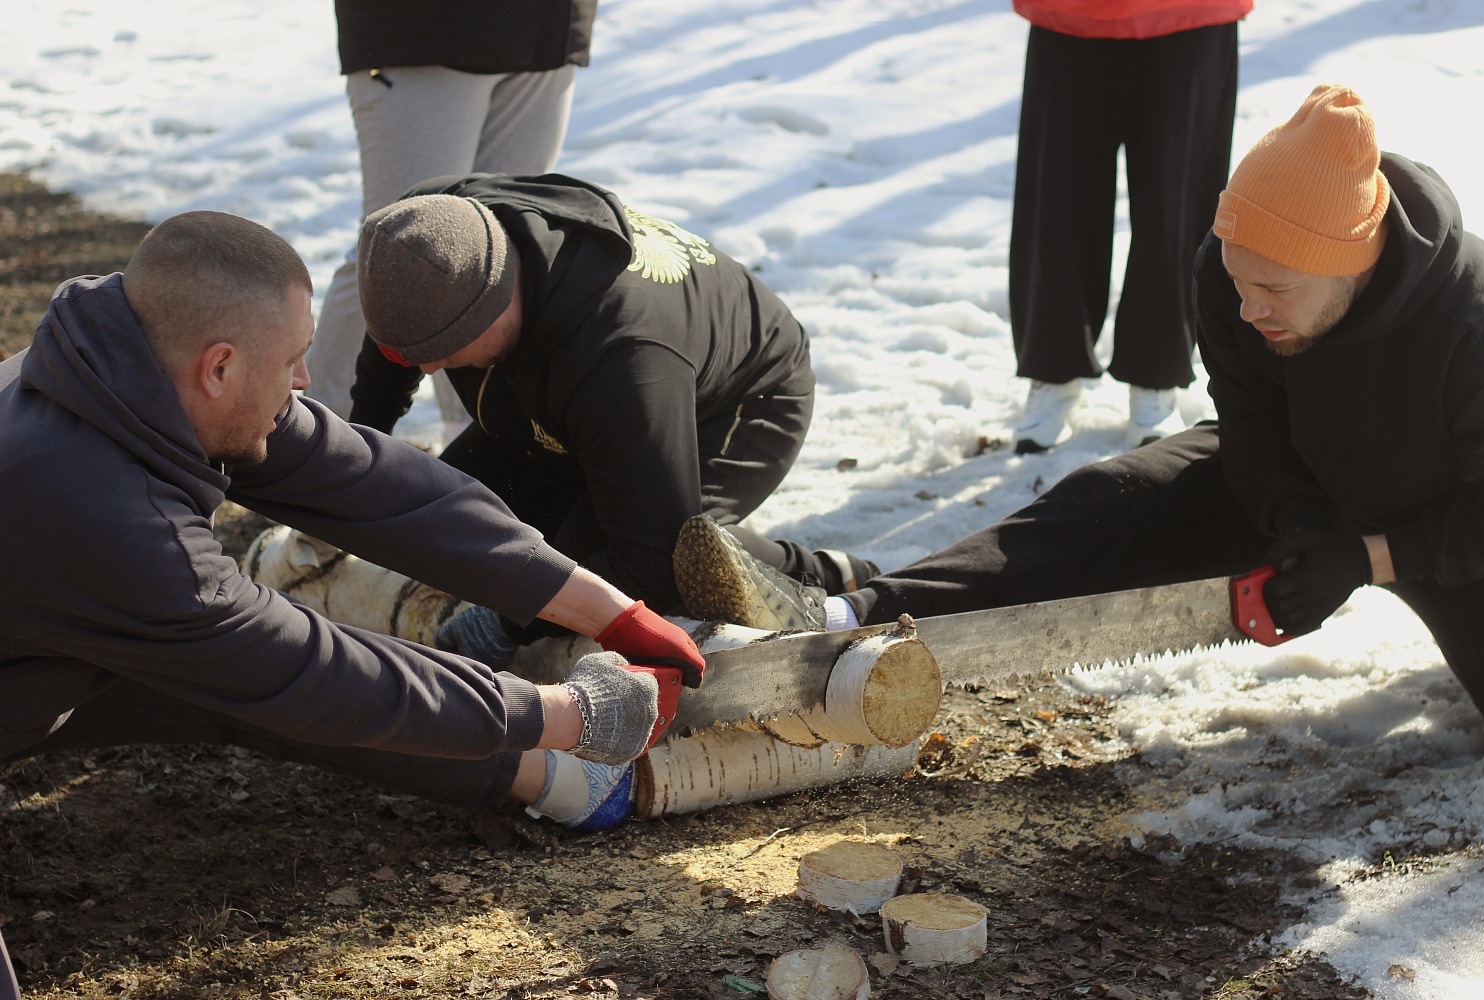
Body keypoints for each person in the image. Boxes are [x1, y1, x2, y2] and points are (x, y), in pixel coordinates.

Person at [675, 85, 1484, 739]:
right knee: (1111, 505)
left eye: (1275, 290)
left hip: (1457, 524)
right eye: (1239, 281)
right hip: (1309, 480)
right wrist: (1293, 520)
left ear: (1353, 267)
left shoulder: (1476, 324)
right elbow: (1250, 425)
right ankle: (847, 614)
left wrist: (1369, 559)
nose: (1249, 309)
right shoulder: (1232, 273)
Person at [0, 209, 710, 879]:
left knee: (241, 678)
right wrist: (567, 715)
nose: (305, 382)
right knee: (271, 677)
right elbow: (313, 672)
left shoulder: (110, 370)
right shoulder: (117, 526)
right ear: (218, 369)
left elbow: (372, 480)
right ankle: (562, 772)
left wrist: (603, 608)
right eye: (293, 361)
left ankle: (561, 786)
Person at [346, 172, 879, 659]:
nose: (430, 366)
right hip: (581, 394)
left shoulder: (624, 358)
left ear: (493, 302)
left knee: (682, 555)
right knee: (445, 517)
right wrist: (351, 460)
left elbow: (650, 557)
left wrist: (511, 621)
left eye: (442, 348)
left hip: (737, 402)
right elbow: (395, 344)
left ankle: (823, 573)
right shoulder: (424, 235)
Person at [305, 0, 597, 436]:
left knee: (506, 250)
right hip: (422, 31)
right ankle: (309, 441)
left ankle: (480, 443)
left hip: (544, 32)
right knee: (398, 252)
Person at [1008, 0, 1252, 452]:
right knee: (1056, 196)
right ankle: (1052, 370)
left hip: (1190, 13)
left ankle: (1157, 375)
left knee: (1176, 201)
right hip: (1067, 15)